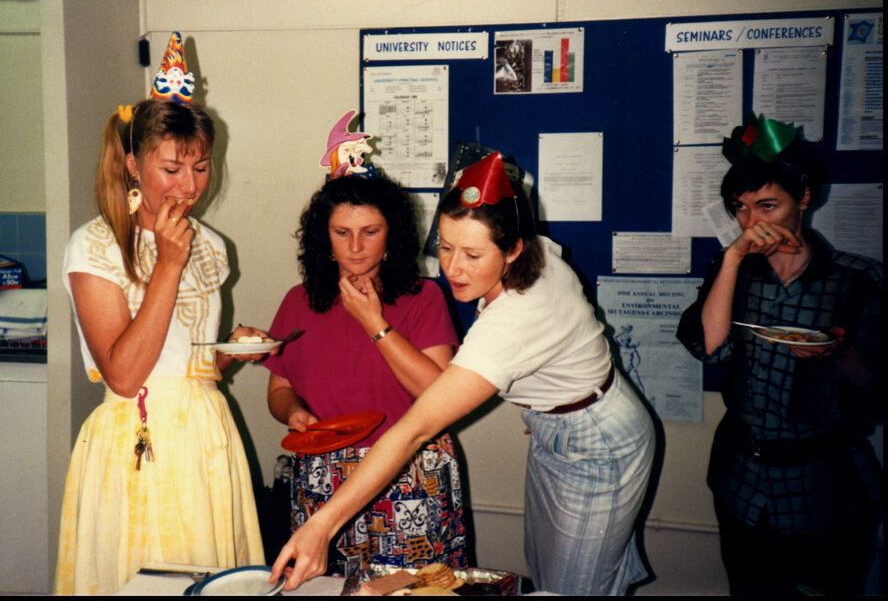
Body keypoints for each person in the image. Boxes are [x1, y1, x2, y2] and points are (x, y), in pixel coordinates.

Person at [271, 151, 655, 595]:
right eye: (446, 247)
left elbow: (415, 429)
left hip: (596, 439)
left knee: (573, 588)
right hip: (562, 416)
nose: (453, 268)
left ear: (514, 249)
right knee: (552, 573)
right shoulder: (539, 251)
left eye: (473, 254)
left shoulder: (513, 320)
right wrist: (550, 394)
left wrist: (323, 526)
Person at [54, 33, 264, 594]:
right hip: (137, 441)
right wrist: (167, 266)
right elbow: (124, 374)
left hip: (207, 431)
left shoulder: (213, 246)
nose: (188, 186)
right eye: (171, 168)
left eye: (200, 168)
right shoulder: (94, 245)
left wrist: (229, 351)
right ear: (132, 164)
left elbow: (187, 361)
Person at [676, 115, 883, 597]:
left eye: (768, 205)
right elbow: (711, 350)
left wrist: (845, 353)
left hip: (827, 483)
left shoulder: (858, 280)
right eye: (741, 209)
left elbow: (878, 399)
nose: (752, 224)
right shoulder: (734, 271)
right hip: (741, 478)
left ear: (805, 197)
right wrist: (730, 260)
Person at [263, 122, 466, 577]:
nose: (355, 247)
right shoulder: (299, 300)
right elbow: (280, 390)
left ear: (392, 234)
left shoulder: (422, 296)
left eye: (370, 231)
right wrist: (294, 412)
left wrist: (375, 323)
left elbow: (440, 396)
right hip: (320, 475)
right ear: (323, 238)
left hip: (407, 474)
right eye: (341, 233)